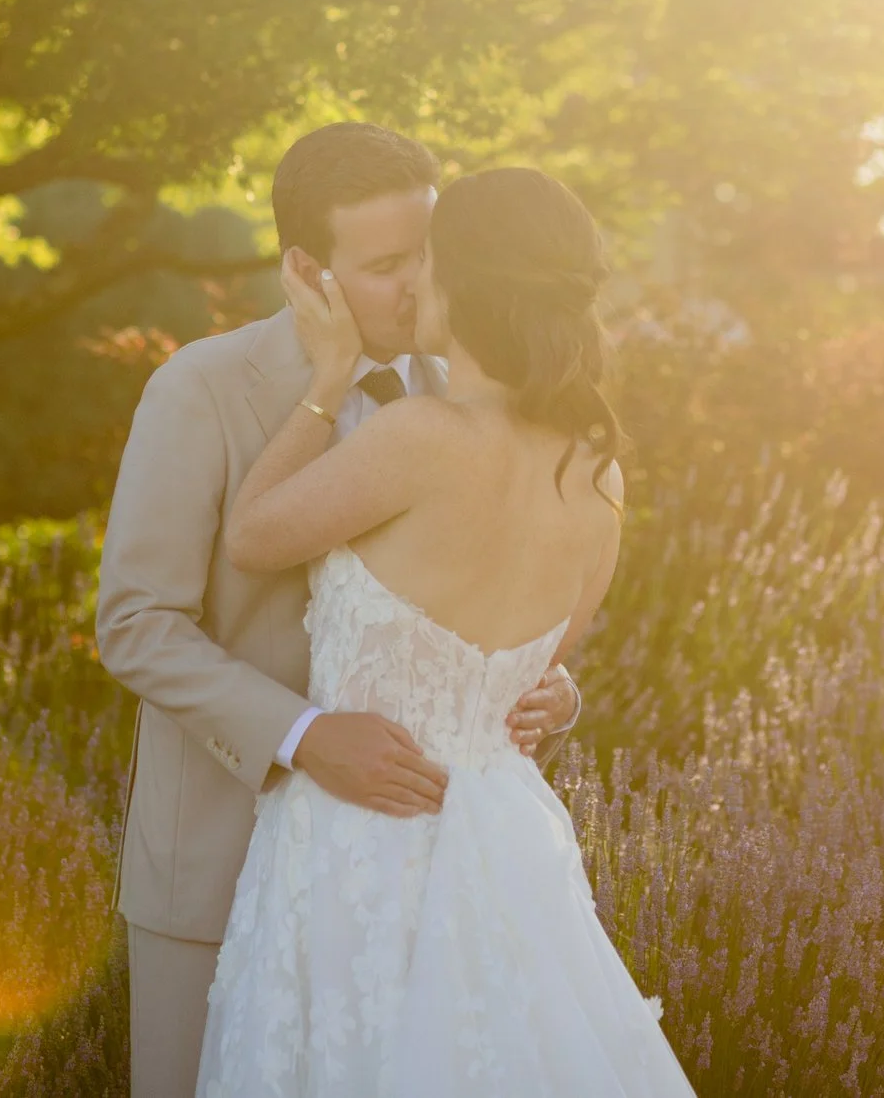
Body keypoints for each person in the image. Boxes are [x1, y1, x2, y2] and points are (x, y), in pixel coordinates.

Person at [95, 125, 584, 1098]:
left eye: (428, 257)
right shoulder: (201, 387)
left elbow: (482, 595)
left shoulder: (463, 399)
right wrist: (304, 733)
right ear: (307, 270)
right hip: (217, 868)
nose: (417, 287)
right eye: (385, 264)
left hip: (406, 878)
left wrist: (542, 680)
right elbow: (136, 622)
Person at [195, 165, 693, 1097]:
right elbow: (535, 671)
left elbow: (253, 535)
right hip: (503, 840)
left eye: (430, 259)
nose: (413, 280)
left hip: (362, 844)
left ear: (470, 284)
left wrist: (329, 378)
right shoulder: (596, 473)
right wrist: (562, 695)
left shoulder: (419, 435)